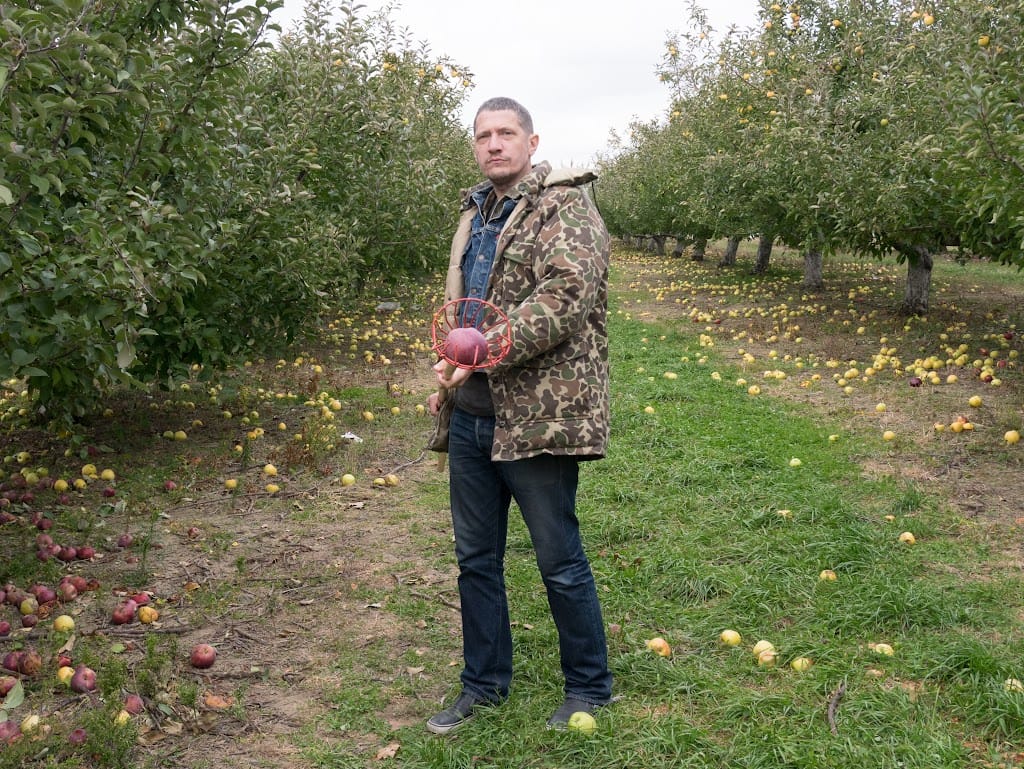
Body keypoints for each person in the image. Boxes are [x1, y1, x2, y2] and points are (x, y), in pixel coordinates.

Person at [425, 96, 613, 734]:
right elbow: (468, 306)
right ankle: (483, 685)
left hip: (538, 416)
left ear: (532, 143)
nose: (494, 144)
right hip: (474, 415)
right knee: (476, 560)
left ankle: (588, 686)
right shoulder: (475, 213)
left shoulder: (565, 207)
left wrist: (483, 349)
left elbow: (566, 295)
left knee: (558, 558)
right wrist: (452, 372)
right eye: (484, 136)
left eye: (506, 133)